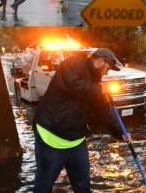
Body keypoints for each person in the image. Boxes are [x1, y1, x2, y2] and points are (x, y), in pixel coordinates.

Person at [33, 48, 128, 193]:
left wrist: (122, 133)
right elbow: (76, 86)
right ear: (102, 61)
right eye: (108, 68)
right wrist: (100, 89)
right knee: (44, 186)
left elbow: (104, 110)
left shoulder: (96, 83)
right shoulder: (74, 63)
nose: (107, 72)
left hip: (76, 140)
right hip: (50, 136)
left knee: (83, 186)